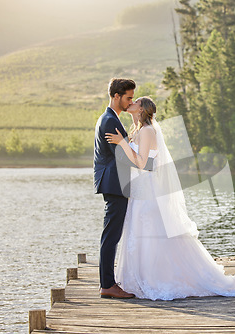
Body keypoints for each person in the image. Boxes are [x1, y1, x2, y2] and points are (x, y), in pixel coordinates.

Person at [105, 96, 235, 300]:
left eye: (135, 102)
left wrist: (123, 143)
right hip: (141, 190)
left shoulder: (149, 131)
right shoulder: (141, 129)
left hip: (149, 191)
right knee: (141, 232)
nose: (130, 103)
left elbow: (143, 163)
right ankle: (142, 276)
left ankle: (160, 278)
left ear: (142, 109)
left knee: (152, 232)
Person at [93, 78, 137, 299]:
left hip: (114, 182)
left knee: (111, 234)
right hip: (115, 183)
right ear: (116, 96)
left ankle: (107, 282)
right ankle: (108, 285)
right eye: (128, 97)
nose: (130, 102)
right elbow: (124, 157)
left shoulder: (109, 118)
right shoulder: (110, 121)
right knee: (111, 235)